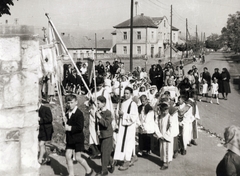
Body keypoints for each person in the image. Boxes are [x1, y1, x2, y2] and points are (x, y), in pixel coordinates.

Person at [64, 94, 95, 176]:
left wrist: (69, 128)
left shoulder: (79, 113)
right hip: (70, 138)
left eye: (72, 102)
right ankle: (71, 174)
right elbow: (66, 125)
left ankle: (89, 170)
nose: (70, 104)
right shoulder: (67, 113)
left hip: (77, 138)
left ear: (76, 102)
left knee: (78, 157)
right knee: (68, 156)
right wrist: (64, 121)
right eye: (68, 103)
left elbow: (79, 127)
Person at [114, 87, 138, 171]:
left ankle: (127, 161)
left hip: (129, 127)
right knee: (121, 142)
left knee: (128, 143)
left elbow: (134, 117)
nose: (125, 95)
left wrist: (123, 114)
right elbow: (117, 113)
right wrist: (118, 114)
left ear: (131, 94)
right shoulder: (122, 102)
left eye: (127, 93)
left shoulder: (133, 104)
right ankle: (124, 157)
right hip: (122, 125)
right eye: (125, 93)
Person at [93, 96, 115, 176]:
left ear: (104, 103)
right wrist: (97, 130)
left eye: (98, 103)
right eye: (96, 103)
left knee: (105, 152)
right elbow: (96, 124)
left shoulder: (108, 113)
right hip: (101, 135)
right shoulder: (97, 112)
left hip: (107, 135)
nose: (97, 104)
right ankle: (111, 161)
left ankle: (104, 170)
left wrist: (99, 117)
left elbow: (106, 124)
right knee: (103, 151)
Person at [154, 102, 174, 170]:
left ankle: (166, 163)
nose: (165, 112)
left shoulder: (170, 117)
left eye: (166, 110)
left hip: (167, 136)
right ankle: (164, 160)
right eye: (163, 110)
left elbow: (171, 127)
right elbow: (156, 125)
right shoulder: (159, 117)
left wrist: (165, 136)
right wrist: (159, 134)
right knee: (162, 149)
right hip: (161, 135)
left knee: (167, 149)